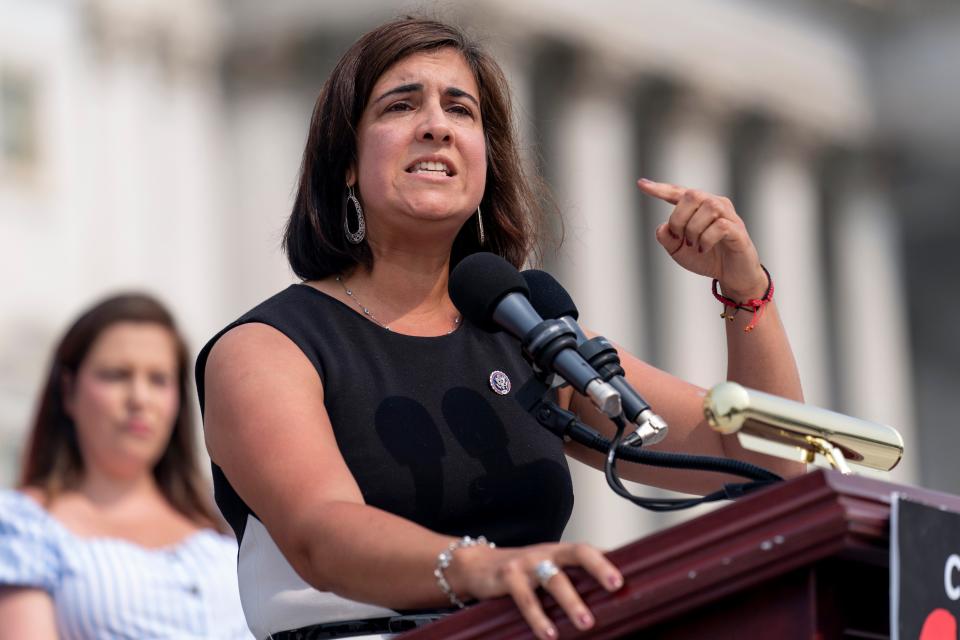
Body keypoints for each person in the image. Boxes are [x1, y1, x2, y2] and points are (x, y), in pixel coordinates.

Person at [197, 16, 805, 640]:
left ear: (485, 158)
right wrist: (483, 569)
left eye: (461, 110)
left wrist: (746, 290)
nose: (436, 125)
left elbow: (758, 464)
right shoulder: (268, 348)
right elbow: (321, 533)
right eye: (401, 105)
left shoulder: (528, 333)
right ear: (346, 163)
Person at [0, 294, 252, 639]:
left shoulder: (223, 515)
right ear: (69, 390)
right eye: (117, 375)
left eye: (158, 380)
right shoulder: (24, 524)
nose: (139, 398)